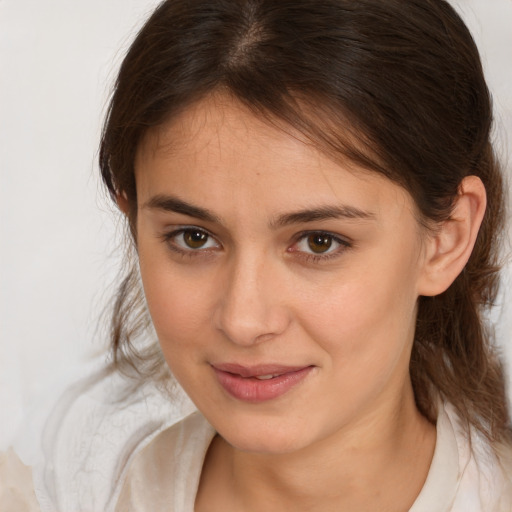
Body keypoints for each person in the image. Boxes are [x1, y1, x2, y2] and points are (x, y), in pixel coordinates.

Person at [1, 0, 511, 510]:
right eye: (193, 238)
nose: (244, 322)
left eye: (318, 242)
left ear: (445, 238)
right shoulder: (54, 487)